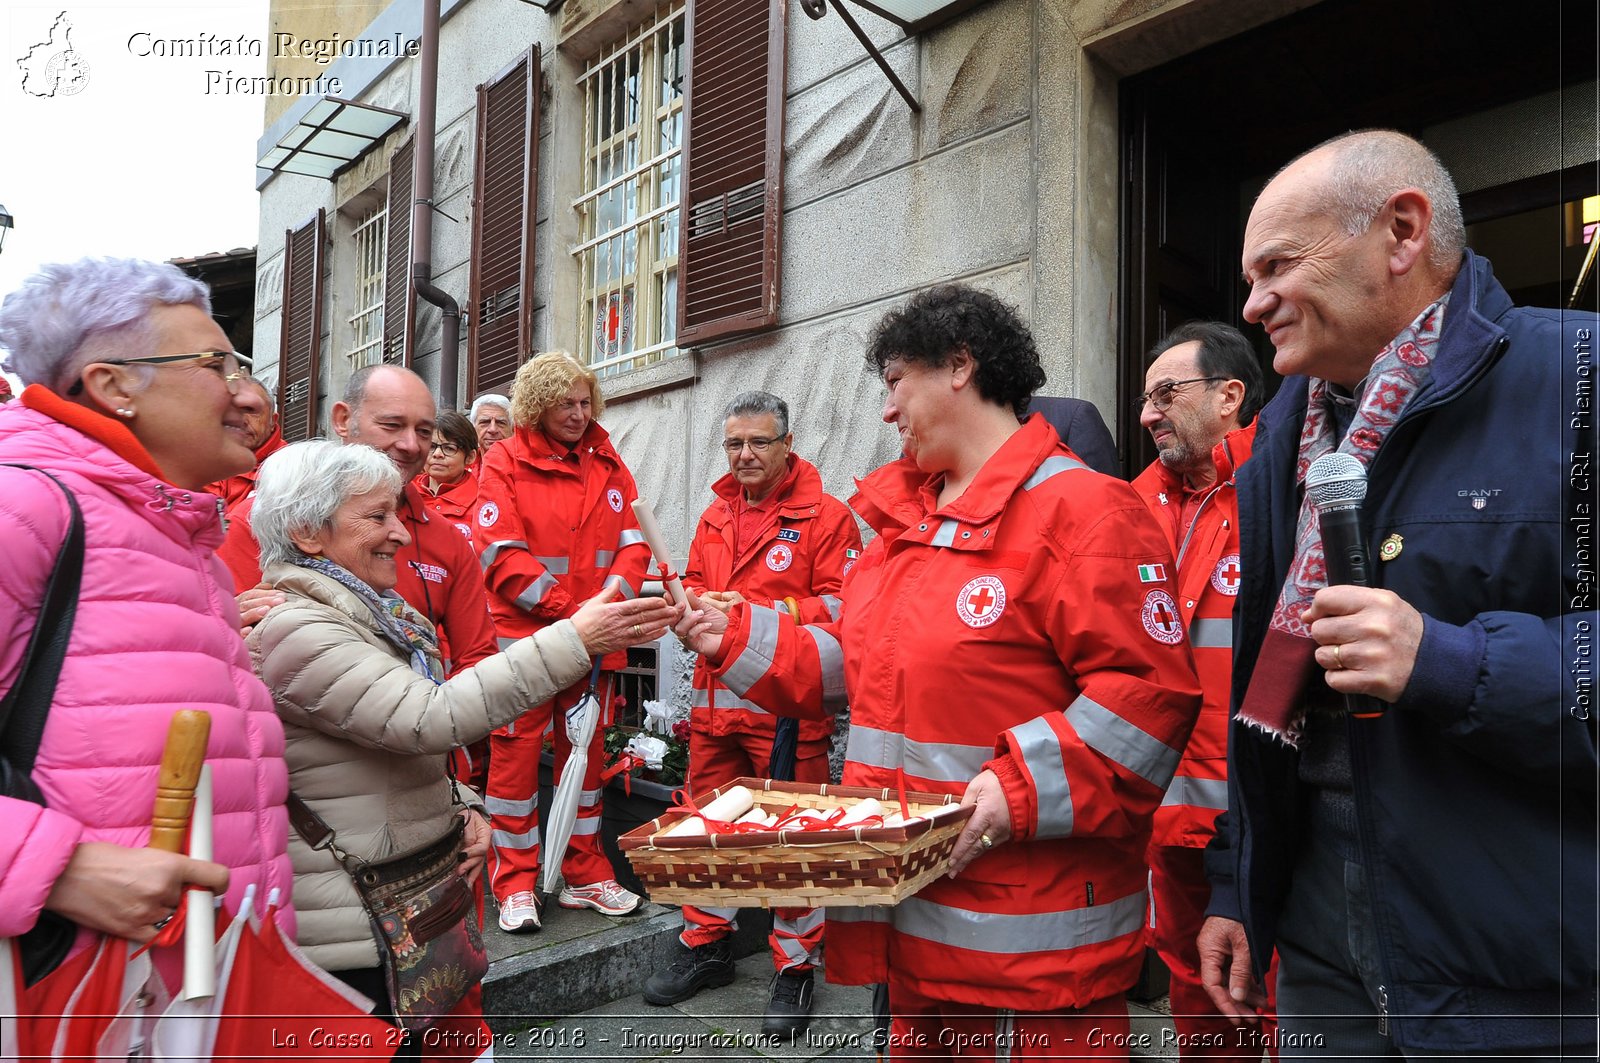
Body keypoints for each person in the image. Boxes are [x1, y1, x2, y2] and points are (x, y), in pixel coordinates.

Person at [677, 284, 1201, 1054]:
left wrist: (1015, 790)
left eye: (894, 382)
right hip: (917, 921)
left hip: (1037, 943)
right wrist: (730, 635)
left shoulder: (1087, 511)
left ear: (960, 365)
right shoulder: (903, 528)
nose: (886, 410)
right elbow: (852, 663)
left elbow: (1146, 699)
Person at [1198, 129, 1598, 1058]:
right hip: (1318, 927)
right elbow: (1267, 686)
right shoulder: (1279, 440)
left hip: (1526, 951)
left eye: (1275, 268)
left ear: (1403, 232)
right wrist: (1235, 881)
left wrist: (1456, 661)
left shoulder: (1574, 376)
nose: (1251, 305)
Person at [248, 439, 674, 1054]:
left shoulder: (364, 613)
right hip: (355, 926)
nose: (400, 532)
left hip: (395, 902)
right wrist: (573, 637)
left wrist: (459, 804)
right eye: (376, 517)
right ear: (309, 533)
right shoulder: (295, 628)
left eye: (396, 512)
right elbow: (427, 716)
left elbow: (387, 742)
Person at [0, 258, 294, 969]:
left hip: (192, 1000)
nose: (245, 391)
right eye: (216, 364)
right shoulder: (26, 508)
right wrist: (55, 867)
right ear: (114, 385)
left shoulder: (185, 541)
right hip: (73, 1000)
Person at [642, 391, 862, 1035]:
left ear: (787, 444)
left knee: (796, 843)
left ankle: (794, 970)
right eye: (734, 443)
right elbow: (696, 594)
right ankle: (707, 945)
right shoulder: (714, 516)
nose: (744, 454)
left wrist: (756, 611)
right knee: (704, 830)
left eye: (759, 442)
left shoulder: (829, 517)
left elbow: (847, 611)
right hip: (715, 706)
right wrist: (684, 608)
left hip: (787, 707)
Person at [1130, 322, 1271, 1058]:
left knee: (1269, 1000)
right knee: (1196, 998)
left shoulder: (1281, 490)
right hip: (1164, 818)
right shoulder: (1127, 508)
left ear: (1230, 395)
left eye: (1165, 392)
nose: (1149, 412)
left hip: (1266, 819)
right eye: (1145, 398)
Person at [474, 352, 653, 931]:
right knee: (515, 763)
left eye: (584, 403)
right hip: (526, 640)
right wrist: (574, 614)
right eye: (564, 404)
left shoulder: (606, 459)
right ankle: (516, 881)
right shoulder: (502, 461)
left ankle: (584, 874)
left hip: (592, 637)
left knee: (587, 757)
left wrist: (602, 607)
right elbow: (501, 555)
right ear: (537, 405)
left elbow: (634, 544)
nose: (578, 414)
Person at [219, 365, 498, 679]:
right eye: (392, 425)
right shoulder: (262, 520)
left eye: (424, 432)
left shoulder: (447, 540)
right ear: (342, 420)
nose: (410, 444)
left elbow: (477, 660)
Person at [204, 376, 283, 511]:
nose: (240, 420)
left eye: (251, 410)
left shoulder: (292, 469)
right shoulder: (199, 460)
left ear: (272, 421)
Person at [416, 408, 481, 543]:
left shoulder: (482, 501)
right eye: (432, 446)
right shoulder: (404, 493)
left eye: (449, 448)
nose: (437, 454)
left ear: (470, 457)